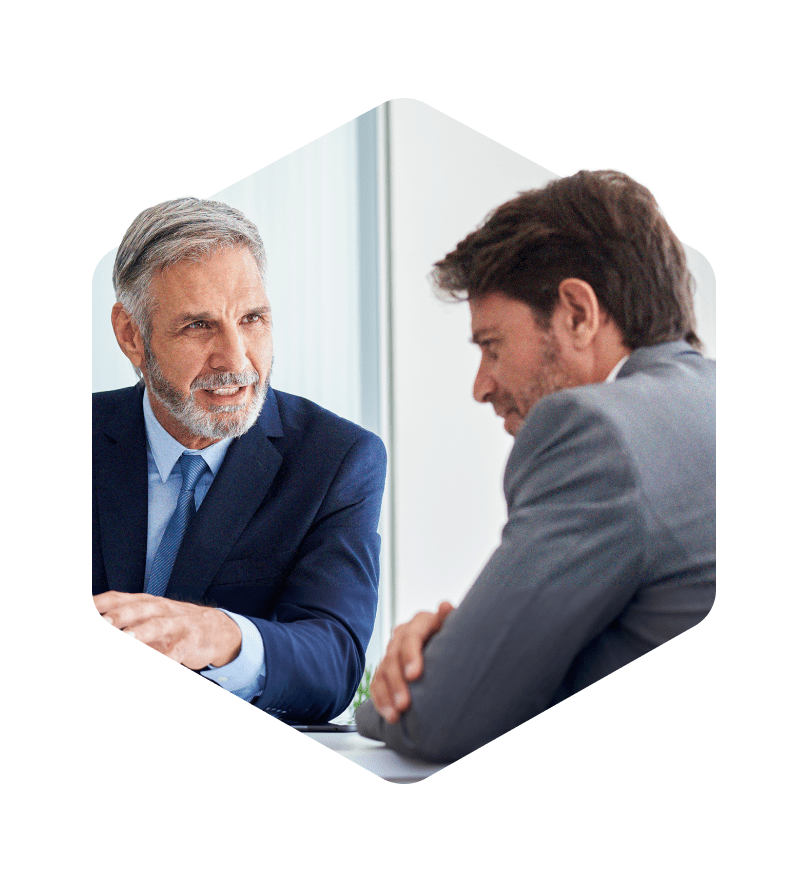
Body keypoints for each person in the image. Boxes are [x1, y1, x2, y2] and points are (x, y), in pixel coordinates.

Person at [355, 170, 715, 762]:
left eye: (491, 345)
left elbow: (441, 715)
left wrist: (402, 686)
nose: (481, 386)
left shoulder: (598, 433)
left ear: (577, 313)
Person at [93, 197, 386, 723]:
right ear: (132, 336)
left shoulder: (336, 459)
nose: (236, 359)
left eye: (252, 319)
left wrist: (221, 635)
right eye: (199, 326)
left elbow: (333, 661)